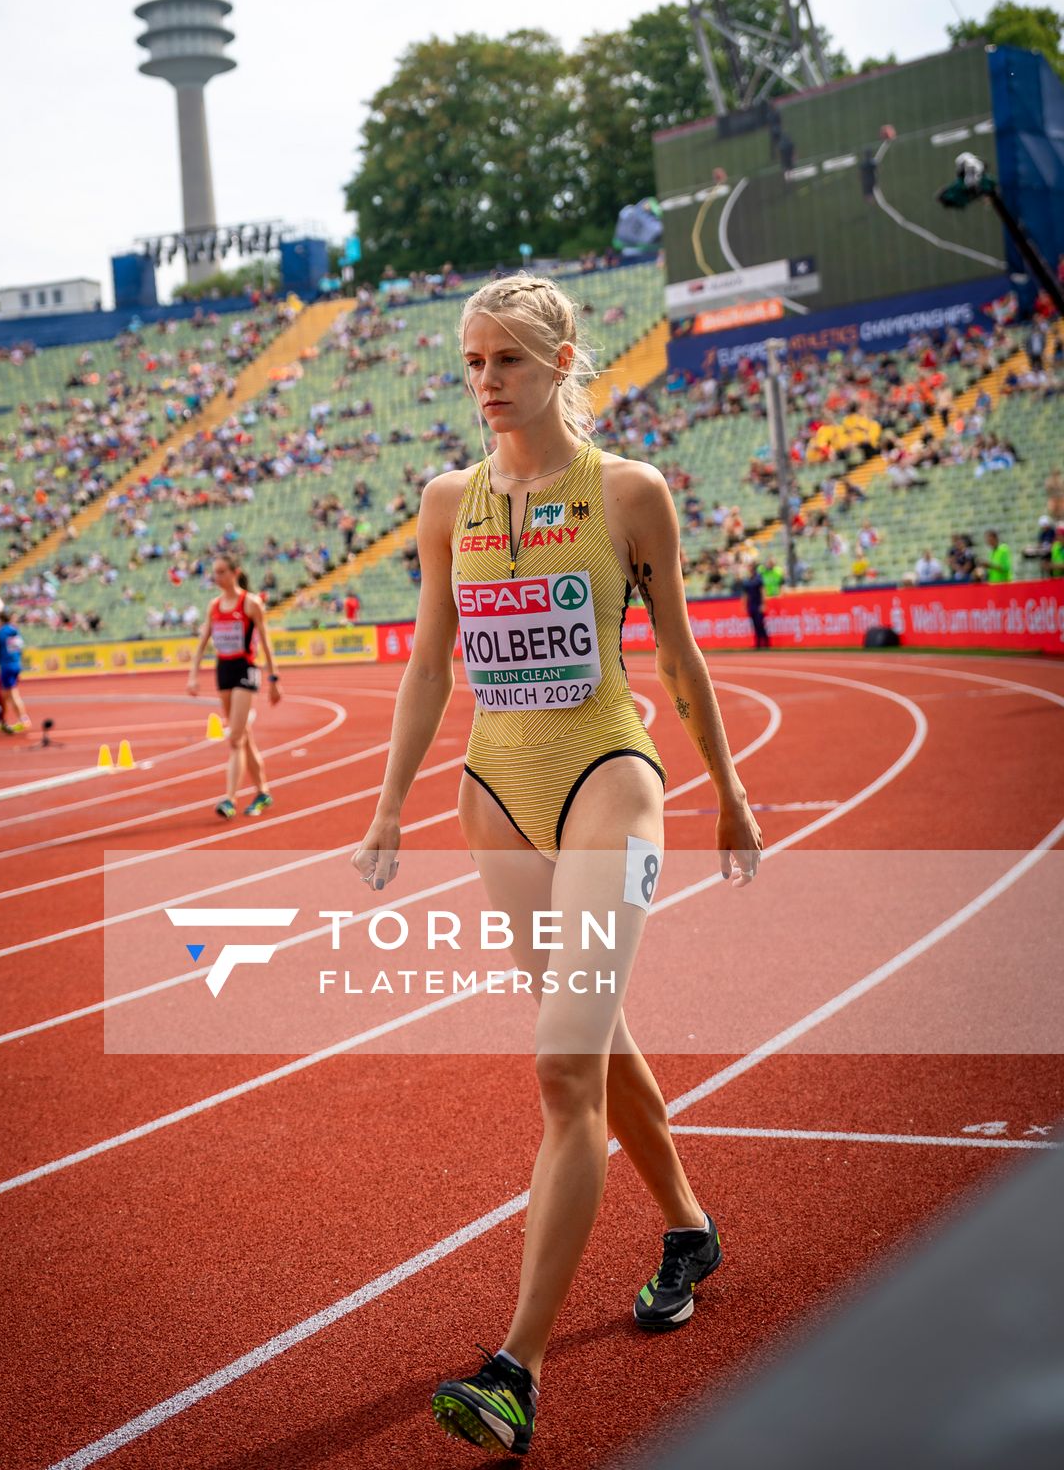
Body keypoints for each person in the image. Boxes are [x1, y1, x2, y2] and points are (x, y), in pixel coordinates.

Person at [351, 273, 763, 1458]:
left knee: (558, 1071)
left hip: (610, 792)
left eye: (507, 363)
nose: (485, 383)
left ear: (561, 359)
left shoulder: (628, 494)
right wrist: (388, 808)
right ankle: (687, 1228)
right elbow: (429, 667)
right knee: (588, 1040)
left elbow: (677, 660)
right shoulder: (445, 502)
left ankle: (514, 1370)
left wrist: (729, 796)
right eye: (472, 362)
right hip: (496, 796)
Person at [187, 558, 282, 819]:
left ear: (234, 573)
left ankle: (230, 799)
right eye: (214, 573)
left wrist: (274, 679)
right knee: (244, 735)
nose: (216, 577)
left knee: (235, 737)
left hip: (245, 669)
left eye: (221, 572)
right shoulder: (214, 605)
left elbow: (265, 640)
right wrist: (193, 674)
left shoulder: (251, 604)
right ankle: (263, 791)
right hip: (224, 670)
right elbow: (203, 641)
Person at [0, 609, 30, 733]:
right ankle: (2, 720)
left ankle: (23, 719)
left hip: (6, 666)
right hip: (15, 664)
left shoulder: (0, 633)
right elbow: (19, 648)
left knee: (10, 694)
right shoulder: (14, 630)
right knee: (6, 695)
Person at [739, 563, 771, 648]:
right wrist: (744, 606)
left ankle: (766, 641)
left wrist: (763, 604)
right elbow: (745, 595)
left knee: (760, 623)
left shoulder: (758, 579)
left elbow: (763, 592)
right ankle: (758, 642)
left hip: (758, 604)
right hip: (751, 605)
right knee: (754, 624)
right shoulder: (747, 581)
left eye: (750, 567)